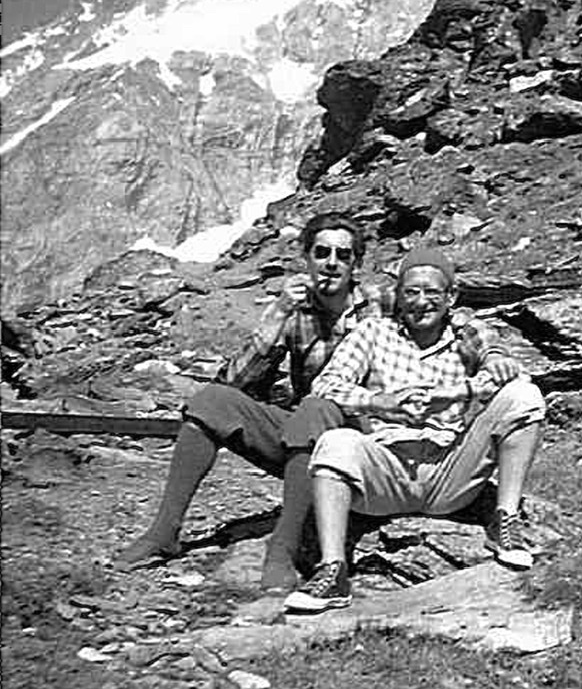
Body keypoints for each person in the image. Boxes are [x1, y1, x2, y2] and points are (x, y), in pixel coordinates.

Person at [113, 211, 385, 593]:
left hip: (369, 447)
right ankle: (165, 531)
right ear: (306, 258)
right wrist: (277, 316)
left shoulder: (380, 306)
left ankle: (283, 549)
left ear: (356, 263)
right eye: (322, 252)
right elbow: (236, 382)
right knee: (212, 402)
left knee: (315, 407)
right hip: (309, 441)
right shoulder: (295, 307)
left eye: (343, 254)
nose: (332, 263)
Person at [283, 245, 546, 614]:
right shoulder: (373, 333)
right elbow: (326, 385)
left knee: (524, 396)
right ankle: (333, 571)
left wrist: (458, 389)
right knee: (334, 442)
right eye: (412, 292)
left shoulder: (467, 335)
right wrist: (381, 401)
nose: (421, 302)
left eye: (432, 293)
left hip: (448, 471)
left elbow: (511, 372)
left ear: (450, 297)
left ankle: (505, 521)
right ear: (398, 296)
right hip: (386, 469)